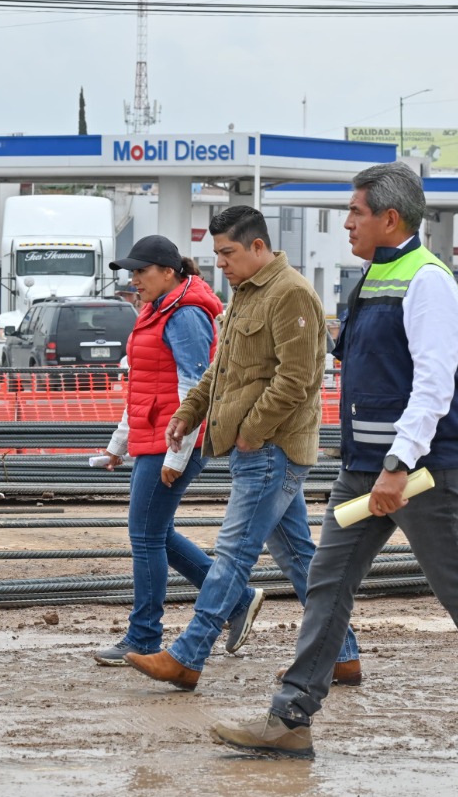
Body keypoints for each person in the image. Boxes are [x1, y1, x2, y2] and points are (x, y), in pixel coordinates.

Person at [210, 164, 458, 762]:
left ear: (389, 218)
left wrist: (398, 466)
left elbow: (433, 386)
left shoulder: (428, 280)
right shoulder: (375, 275)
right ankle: (290, 717)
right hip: (364, 468)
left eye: (356, 212)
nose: (346, 222)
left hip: (420, 472)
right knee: (327, 583)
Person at [124, 206, 360, 690]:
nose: (220, 263)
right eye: (217, 253)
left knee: (233, 554)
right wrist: (189, 412)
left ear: (257, 246)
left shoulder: (291, 293)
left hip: (271, 448)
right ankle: (341, 654)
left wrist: (252, 430)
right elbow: (222, 369)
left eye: (227, 252)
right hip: (257, 448)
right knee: (298, 556)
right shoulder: (248, 293)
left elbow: (298, 378)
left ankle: (188, 656)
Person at [91, 235, 258, 666]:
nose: (134, 280)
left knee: (145, 535)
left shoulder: (185, 315)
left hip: (175, 440)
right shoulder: (159, 308)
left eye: (141, 271)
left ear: (168, 272)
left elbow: (195, 388)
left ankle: (144, 637)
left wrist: (177, 456)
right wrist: (119, 445)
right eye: (131, 273)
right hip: (158, 437)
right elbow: (144, 386)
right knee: (156, 533)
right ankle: (237, 600)